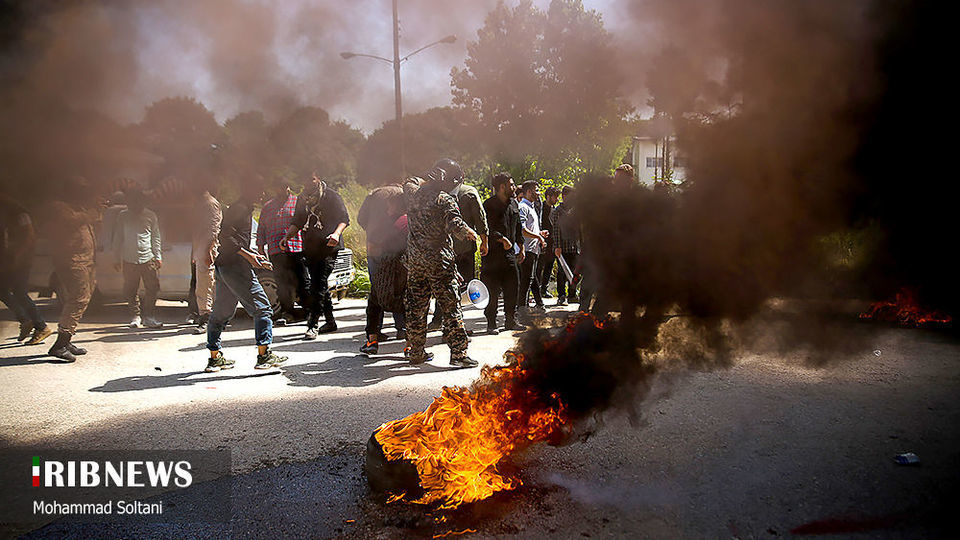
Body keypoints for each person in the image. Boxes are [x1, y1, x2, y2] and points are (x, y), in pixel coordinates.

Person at [204, 180, 287, 373]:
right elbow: (225, 238)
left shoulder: (242, 209)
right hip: (235, 267)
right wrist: (248, 256)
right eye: (259, 190)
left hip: (226, 266)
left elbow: (237, 240)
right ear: (249, 191)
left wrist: (254, 255)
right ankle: (264, 355)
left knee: (221, 313)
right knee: (263, 309)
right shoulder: (239, 209)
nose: (262, 194)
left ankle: (214, 358)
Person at [403, 158, 479, 367]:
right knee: (450, 306)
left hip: (416, 261)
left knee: (416, 307)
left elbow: (409, 181)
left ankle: (416, 352)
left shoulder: (412, 195)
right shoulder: (444, 200)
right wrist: (468, 232)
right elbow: (455, 223)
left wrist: (425, 178)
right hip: (439, 262)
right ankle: (458, 354)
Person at [280, 173, 350, 340]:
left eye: (311, 178)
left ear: (317, 178)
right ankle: (331, 321)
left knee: (317, 284)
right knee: (320, 284)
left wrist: (336, 234)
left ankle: (313, 324)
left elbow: (344, 219)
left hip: (328, 246)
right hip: (310, 245)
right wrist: (287, 237)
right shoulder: (302, 199)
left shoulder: (331, 196)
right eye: (305, 179)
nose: (308, 182)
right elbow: (297, 221)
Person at [45, 176, 102, 362]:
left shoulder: (79, 208)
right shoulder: (59, 207)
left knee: (81, 299)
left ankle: (66, 340)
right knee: (78, 300)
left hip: (85, 261)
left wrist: (96, 211)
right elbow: (70, 222)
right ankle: (60, 344)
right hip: (72, 261)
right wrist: (92, 212)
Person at [428, 172, 489, 331]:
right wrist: (485, 241)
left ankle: (438, 321)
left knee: (444, 285)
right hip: (464, 249)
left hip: (444, 250)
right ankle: (455, 325)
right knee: (460, 289)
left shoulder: (436, 194)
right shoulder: (469, 192)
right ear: (461, 177)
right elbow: (480, 219)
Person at [357, 183, 408, 355]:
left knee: (374, 303)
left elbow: (373, 248)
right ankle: (411, 344)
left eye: (389, 206)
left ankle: (372, 341)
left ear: (395, 206)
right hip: (405, 271)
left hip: (385, 270)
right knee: (409, 305)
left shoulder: (386, 225)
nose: (387, 209)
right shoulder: (411, 222)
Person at [0, 193, 52, 345]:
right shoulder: (7, 211)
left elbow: (30, 236)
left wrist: (18, 256)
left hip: (20, 259)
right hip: (10, 259)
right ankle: (26, 320)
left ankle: (40, 326)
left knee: (19, 292)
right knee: (4, 291)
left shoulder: (19, 213)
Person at [257, 181, 309, 326]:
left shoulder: (298, 201)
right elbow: (261, 229)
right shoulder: (267, 207)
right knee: (282, 284)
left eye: (283, 186)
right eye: (277, 186)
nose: (281, 189)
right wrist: (261, 248)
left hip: (297, 248)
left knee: (303, 281)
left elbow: (305, 223)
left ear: (288, 187)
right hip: (276, 251)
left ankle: (309, 311)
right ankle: (287, 313)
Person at [480, 172, 525, 334]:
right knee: (492, 290)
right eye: (511, 185)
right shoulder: (488, 205)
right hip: (492, 256)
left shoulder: (513, 204)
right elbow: (486, 229)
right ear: (502, 187)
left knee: (513, 286)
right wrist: (501, 239)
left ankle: (510, 320)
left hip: (510, 255)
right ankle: (491, 322)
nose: (514, 187)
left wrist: (521, 246)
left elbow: (518, 225)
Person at [113, 188, 163, 328]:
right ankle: (135, 316)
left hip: (148, 258)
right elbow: (118, 237)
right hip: (129, 259)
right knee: (130, 289)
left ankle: (149, 317)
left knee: (152, 288)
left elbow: (156, 237)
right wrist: (116, 257)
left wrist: (158, 256)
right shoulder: (123, 216)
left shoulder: (150, 215)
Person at [189, 183, 221, 334]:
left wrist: (208, 250)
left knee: (206, 284)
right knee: (204, 283)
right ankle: (208, 316)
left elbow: (214, 228)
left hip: (207, 248)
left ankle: (207, 318)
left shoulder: (210, 204)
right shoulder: (200, 204)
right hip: (201, 248)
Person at [517, 180, 548, 320]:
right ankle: (521, 311)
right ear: (529, 192)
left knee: (531, 278)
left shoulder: (531, 207)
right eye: (536, 190)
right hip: (527, 250)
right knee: (526, 281)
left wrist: (539, 234)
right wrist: (539, 238)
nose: (539, 193)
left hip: (533, 250)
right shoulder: (523, 207)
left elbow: (529, 228)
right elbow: (523, 230)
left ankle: (537, 305)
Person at [552, 185, 581, 305]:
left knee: (575, 271)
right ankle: (561, 295)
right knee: (562, 272)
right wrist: (557, 247)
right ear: (564, 196)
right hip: (562, 247)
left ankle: (572, 294)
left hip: (574, 246)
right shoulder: (557, 212)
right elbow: (556, 230)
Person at [538, 186, 560, 299]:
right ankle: (537, 290)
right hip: (542, 242)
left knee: (549, 266)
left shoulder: (555, 209)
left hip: (553, 243)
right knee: (539, 267)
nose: (556, 199)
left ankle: (544, 289)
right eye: (555, 197)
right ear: (548, 196)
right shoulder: (541, 208)